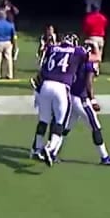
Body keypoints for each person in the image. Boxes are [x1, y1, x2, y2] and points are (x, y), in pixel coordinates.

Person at [31, 33, 89, 166]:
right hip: (61, 87)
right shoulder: (78, 51)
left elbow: (45, 61)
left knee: (43, 120)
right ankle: (50, 148)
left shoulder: (52, 48)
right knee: (60, 121)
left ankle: (37, 148)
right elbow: (87, 56)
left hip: (45, 86)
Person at [58, 40, 110, 165]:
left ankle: (52, 151)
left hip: (72, 95)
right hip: (81, 98)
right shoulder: (88, 63)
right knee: (95, 127)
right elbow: (89, 83)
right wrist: (93, 99)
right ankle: (104, 157)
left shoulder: (73, 60)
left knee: (66, 127)